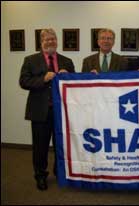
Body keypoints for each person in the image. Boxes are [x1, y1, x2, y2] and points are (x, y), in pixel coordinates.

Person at [19, 28, 75, 191]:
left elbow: (75, 85)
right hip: (40, 111)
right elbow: (23, 81)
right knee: (40, 146)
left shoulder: (67, 61)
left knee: (61, 145)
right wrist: (43, 79)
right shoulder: (30, 60)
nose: (51, 42)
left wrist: (68, 76)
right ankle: (40, 175)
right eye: (47, 39)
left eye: (53, 39)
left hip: (62, 112)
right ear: (41, 42)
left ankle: (60, 172)